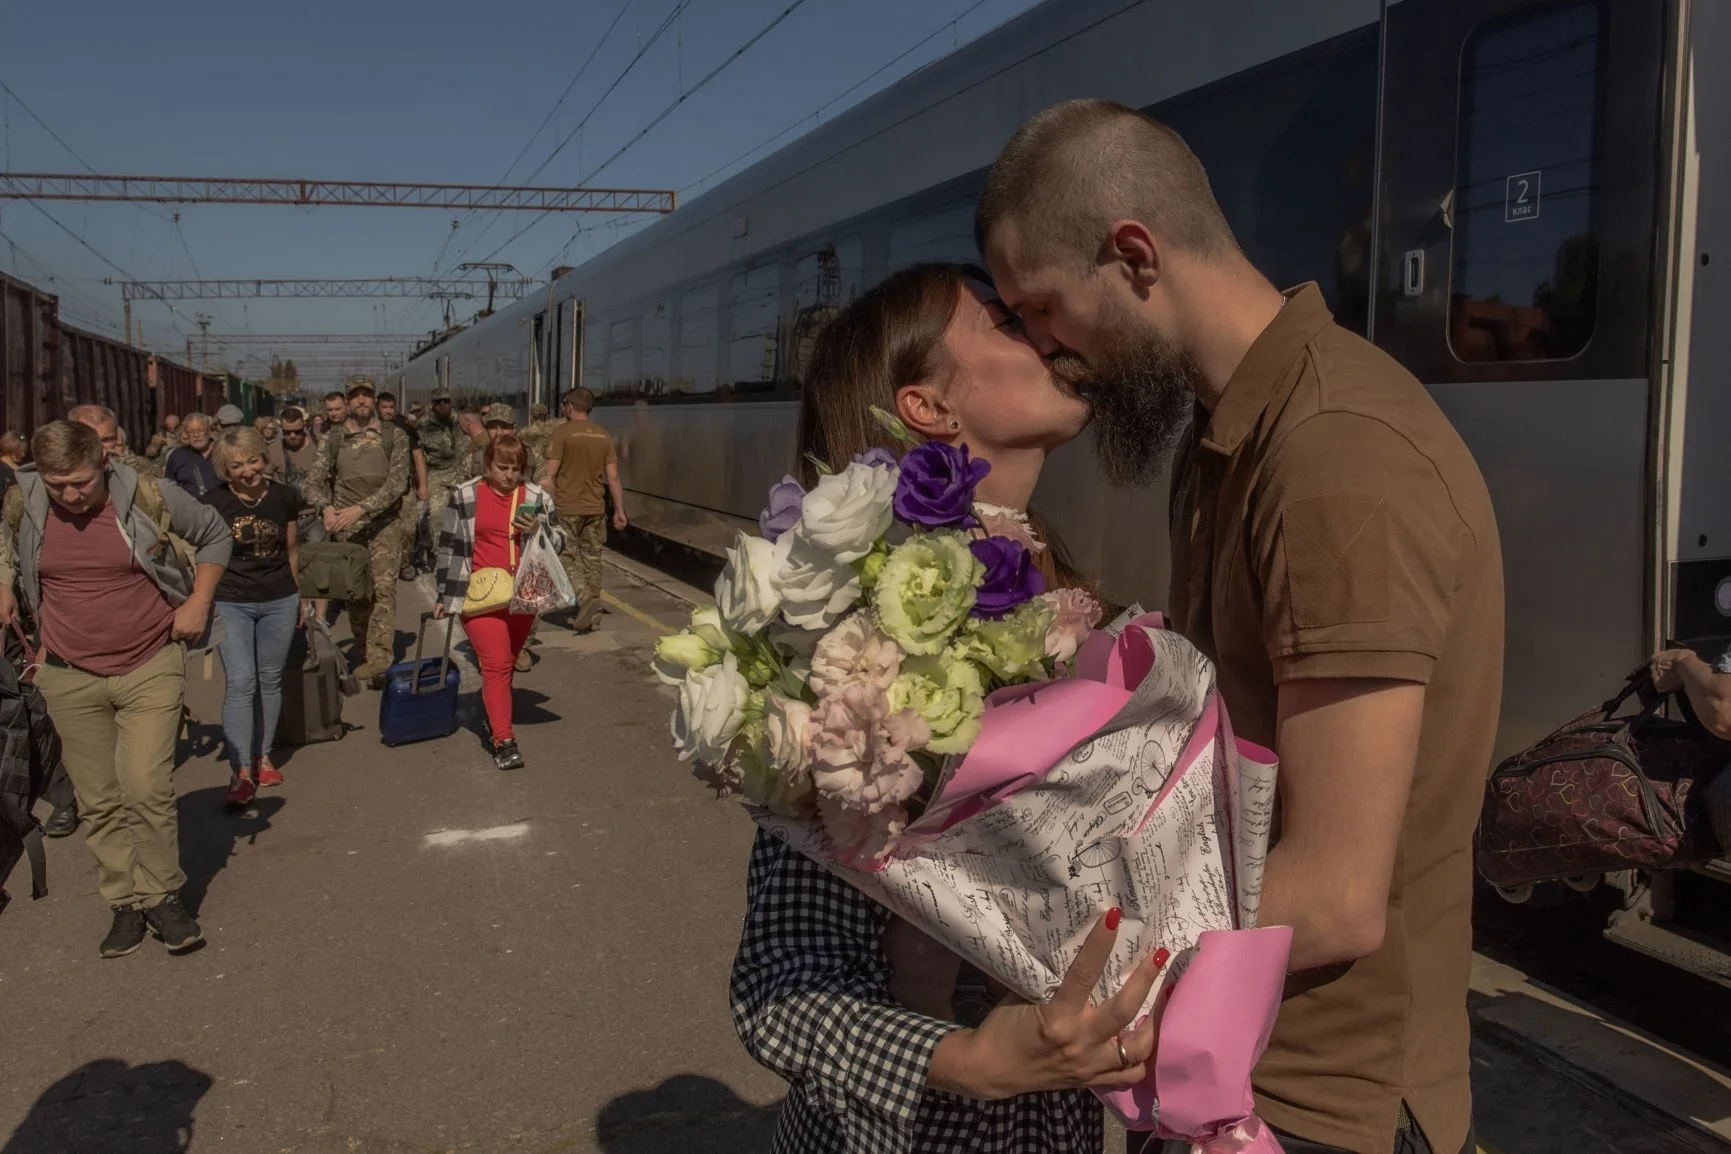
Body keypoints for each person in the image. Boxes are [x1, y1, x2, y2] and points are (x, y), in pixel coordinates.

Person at [976, 100, 1504, 1154]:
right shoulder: (1233, 436)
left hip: (1317, 1102)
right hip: (1234, 1065)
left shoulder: (1330, 459)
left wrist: (1053, 941)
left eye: (1039, 308)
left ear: (1133, 255)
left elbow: (1343, 890)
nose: (1043, 349)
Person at [731, 263, 1155, 1153]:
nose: (1049, 332)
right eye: (1007, 320)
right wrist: (964, 1059)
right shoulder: (858, 628)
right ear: (927, 407)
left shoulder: (1062, 596)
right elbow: (783, 983)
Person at [0, 420, 232, 959]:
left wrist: (197, 603)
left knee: (146, 786)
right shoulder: (26, 499)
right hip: (67, 671)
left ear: (103, 464)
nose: (70, 495)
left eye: (81, 482)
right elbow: (5, 542)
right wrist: (4, 582)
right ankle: (124, 902)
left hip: (148, 661)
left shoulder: (145, 493)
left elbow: (216, 533)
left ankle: (162, 896)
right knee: (99, 799)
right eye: (58, 485)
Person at [431, 434, 564, 772]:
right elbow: (448, 548)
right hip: (479, 596)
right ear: (487, 465)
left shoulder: (536, 497)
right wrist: (445, 595)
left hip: (523, 594)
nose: (509, 475)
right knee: (496, 665)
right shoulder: (464, 496)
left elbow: (560, 540)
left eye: (516, 469)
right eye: (502, 467)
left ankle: (494, 713)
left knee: (506, 662)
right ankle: (504, 739)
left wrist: (538, 529)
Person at [201, 428, 303, 806]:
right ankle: (240, 768)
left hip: (279, 598)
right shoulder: (214, 503)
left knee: (270, 679)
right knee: (242, 680)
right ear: (226, 470)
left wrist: (299, 595)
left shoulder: (284, 497)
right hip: (231, 601)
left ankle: (263, 755)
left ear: (265, 458)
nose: (247, 471)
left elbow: (291, 549)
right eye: (236, 465)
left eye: (253, 460)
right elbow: (203, 554)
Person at [301, 378, 410, 683]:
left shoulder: (394, 436)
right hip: (347, 533)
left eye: (367, 395)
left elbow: (397, 484)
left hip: (383, 526)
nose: (362, 401)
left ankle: (379, 660)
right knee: (357, 596)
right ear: (348, 401)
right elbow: (312, 482)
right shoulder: (332, 439)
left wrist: (361, 509)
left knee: (384, 592)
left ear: (374, 399)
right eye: (356, 396)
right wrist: (325, 507)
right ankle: (364, 650)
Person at [540, 389, 625, 635]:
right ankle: (594, 616)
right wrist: (619, 510)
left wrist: (548, 504)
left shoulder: (562, 433)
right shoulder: (603, 435)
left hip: (568, 507)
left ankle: (584, 598)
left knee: (567, 555)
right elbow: (614, 477)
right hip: (595, 509)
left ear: (571, 406)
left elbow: (550, 475)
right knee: (593, 559)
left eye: (564, 403)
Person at [376, 391, 429, 582]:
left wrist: (423, 486)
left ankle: (404, 563)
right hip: (379, 488)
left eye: (391, 407)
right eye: (384, 407)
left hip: (404, 488)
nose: (388, 411)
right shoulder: (371, 428)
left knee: (408, 528)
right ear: (377, 408)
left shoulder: (406, 427)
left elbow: (418, 456)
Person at [69, 404, 160, 480]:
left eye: (106, 440)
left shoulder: (140, 469)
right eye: (88, 440)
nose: (99, 447)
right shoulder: (60, 473)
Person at [164, 412, 220, 498]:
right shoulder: (177, 456)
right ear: (186, 434)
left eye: (200, 430)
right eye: (191, 431)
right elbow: (169, 488)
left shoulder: (222, 450)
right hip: (191, 508)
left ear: (209, 431)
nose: (196, 435)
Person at [277, 407, 318, 480]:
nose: (292, 436)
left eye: (297, 431)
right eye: (287, 432)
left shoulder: (319, 445)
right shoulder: (273, 450)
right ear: (281, 428)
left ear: (304, 427)